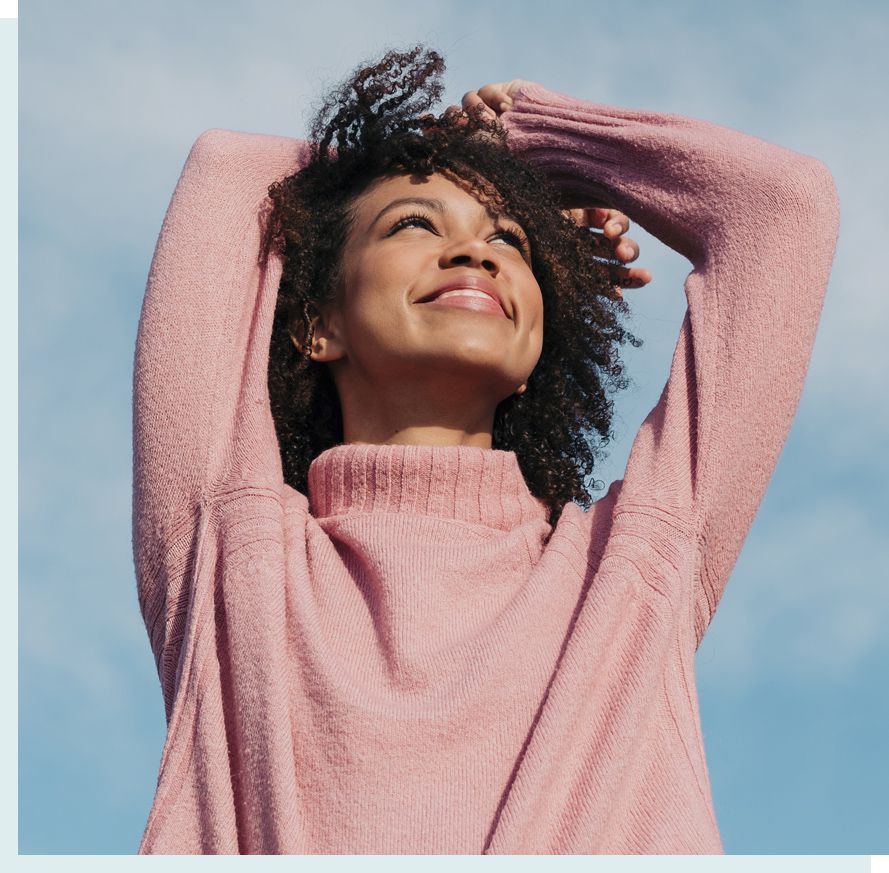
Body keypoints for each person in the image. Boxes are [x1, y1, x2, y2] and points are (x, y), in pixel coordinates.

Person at [132, 46, 839, 854]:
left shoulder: (633, 568)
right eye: (412, 224)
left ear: (541, 336)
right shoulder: (228, 550)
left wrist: (543, 144)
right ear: (315, 324)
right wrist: (451, 158)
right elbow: (230, 170)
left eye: (510, 241)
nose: (477, 252)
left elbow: (783, 207)